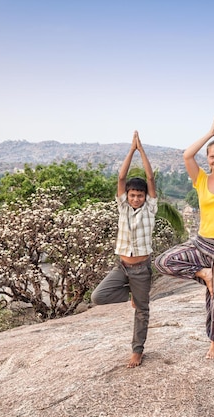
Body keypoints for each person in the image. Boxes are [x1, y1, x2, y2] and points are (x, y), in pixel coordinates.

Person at [155, 113, 214, 359]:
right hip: (202, 243)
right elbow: (187, 155)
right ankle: (202, 273)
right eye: (212, 156)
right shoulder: (200, 179)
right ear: (207, 160)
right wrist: (210, 134)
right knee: (163, 261)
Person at [91, 130, 158, 368]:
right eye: (132, 195)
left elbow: (151, 180)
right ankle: (132, 294)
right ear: (127, 195)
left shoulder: (150, 209)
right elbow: (121, 178)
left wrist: (143, 152)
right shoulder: (123, 207)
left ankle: (137, 351)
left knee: (142, 311)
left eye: (139, 196)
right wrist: (131, 150)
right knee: (98, 296)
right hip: (122, 266)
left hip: (141, 269)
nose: (136, 199)